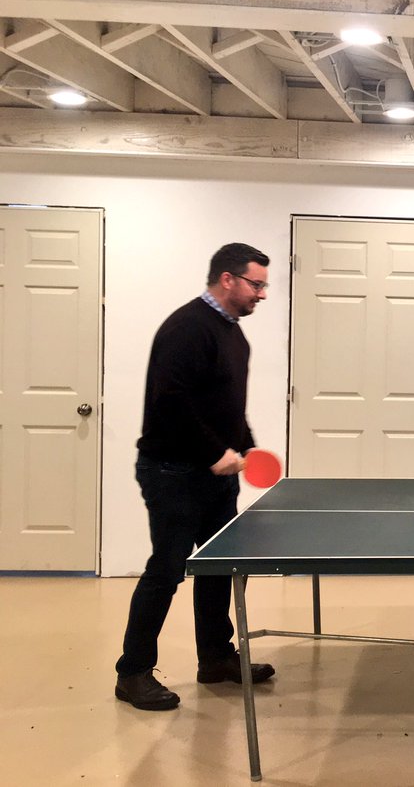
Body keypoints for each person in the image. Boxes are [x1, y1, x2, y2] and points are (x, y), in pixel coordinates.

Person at [115, 243, 276, 711]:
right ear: (227, 279)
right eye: (257, 284)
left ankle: (215, 659)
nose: (262, 295)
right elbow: (171, 402)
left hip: (212, 476)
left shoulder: (233, 335)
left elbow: (227, 407)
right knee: (166, 570)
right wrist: (213, 453)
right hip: (172, 472)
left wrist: (246, 447)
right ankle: (133, 672)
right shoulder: (187, 328)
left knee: (216, 568)